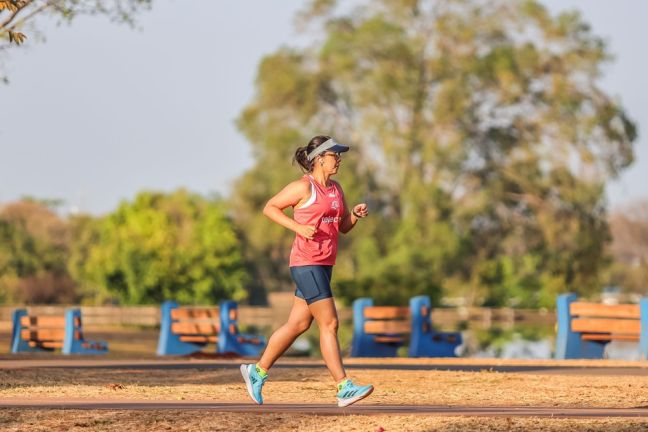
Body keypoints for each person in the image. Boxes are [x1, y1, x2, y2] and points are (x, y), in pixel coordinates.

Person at [240, 135, 374, 408]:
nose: (339, 159)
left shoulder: (336, 189)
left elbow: (342, 227)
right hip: (305, 263)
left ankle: (258, 371)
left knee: (299, 324)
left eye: (339, 155)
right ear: (319, 159)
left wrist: (355, 216)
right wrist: (298, 228)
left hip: (325, 264)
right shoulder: (303, 187)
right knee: (330, 323)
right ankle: (343, 387)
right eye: (335, 155)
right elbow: (270, 207)